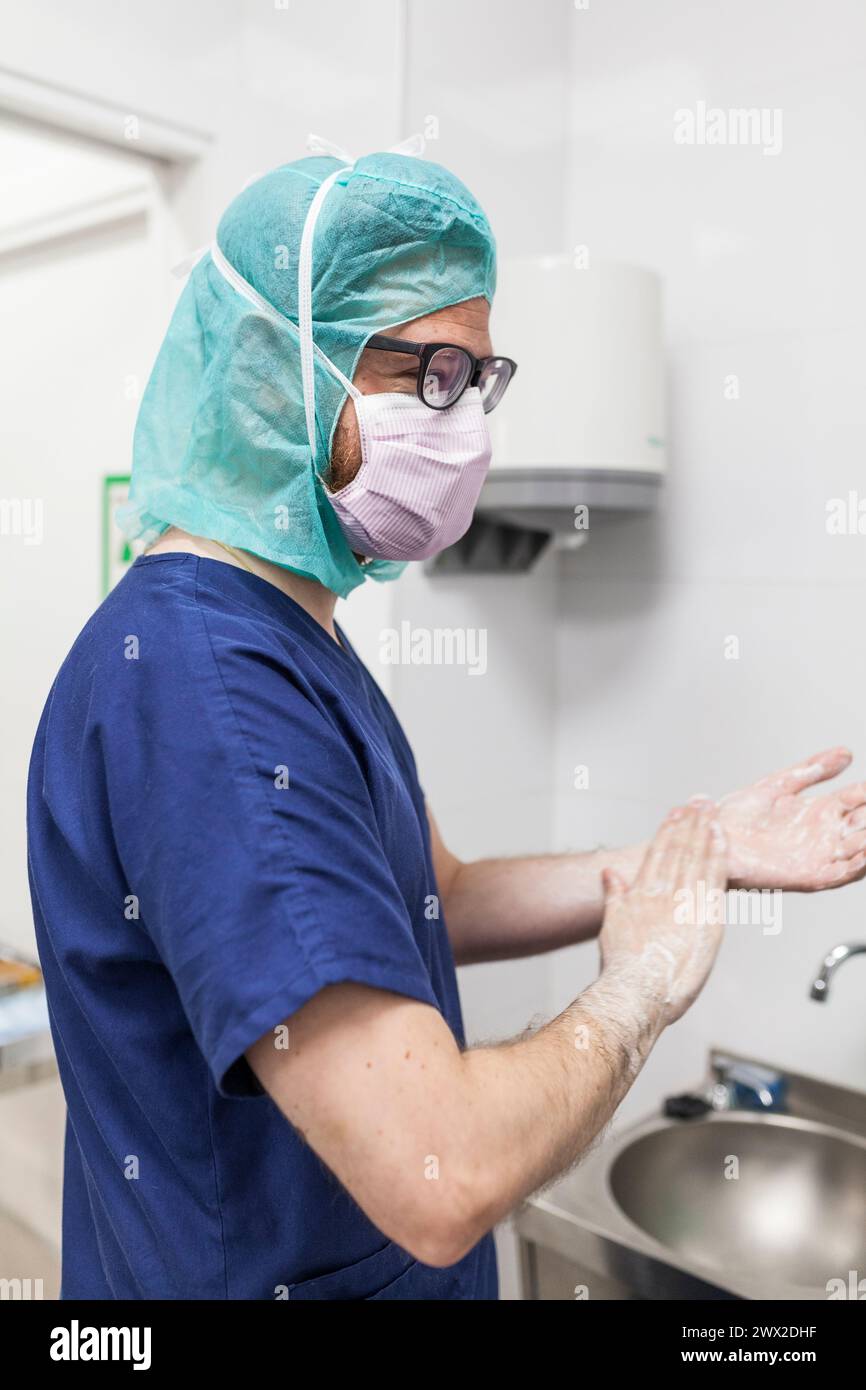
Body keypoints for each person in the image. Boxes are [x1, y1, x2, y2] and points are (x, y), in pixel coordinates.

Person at [27, 147, 866, 1301]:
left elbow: (437, 894)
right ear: (285, 373)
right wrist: (640, 984)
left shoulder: (290, 633)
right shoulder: (202, 687)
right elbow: (443, 1170)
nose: (467, 428)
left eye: (479, 382)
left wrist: (690, 855)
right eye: (429, 378)